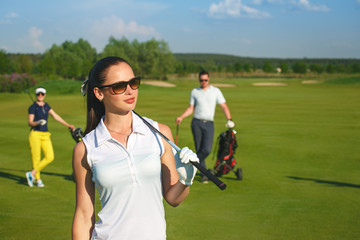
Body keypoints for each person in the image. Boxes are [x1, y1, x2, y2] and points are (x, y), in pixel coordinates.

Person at [72, 56, 199, 240]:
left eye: (133, 83)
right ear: (99, 93)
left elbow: (173, 198)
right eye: (119, 86)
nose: (130, 91)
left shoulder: (160, 133)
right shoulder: (86, 148)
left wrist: (185, 180)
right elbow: (84, 216)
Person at [176, 70, 234, 183]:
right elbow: (191, 108)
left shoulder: (216, 91)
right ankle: (204, 175)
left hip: (209, 124)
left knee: (206, 149)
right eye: (201, 80)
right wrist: (181, 117)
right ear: (199, 80)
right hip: (196, 123)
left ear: (209, 79)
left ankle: (192, 163)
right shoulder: (195, 92)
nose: (203, 82)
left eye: (205, 80)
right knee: (199, 149)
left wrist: (229, 119)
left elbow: (224, 106)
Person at [26, 87, 75, 187]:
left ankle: (31, 174)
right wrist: (37, 122)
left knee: (50, 156)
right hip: (35, 134)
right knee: (36, 158)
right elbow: (30, 122)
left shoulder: (47, 106)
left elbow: (56, 116)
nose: (40, 96)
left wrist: (67, 124)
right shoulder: (32, 107)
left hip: (45, 134)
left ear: (45, 95)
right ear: (36, 95)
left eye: (42, 94)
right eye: (38, 94)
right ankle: (38, 179)